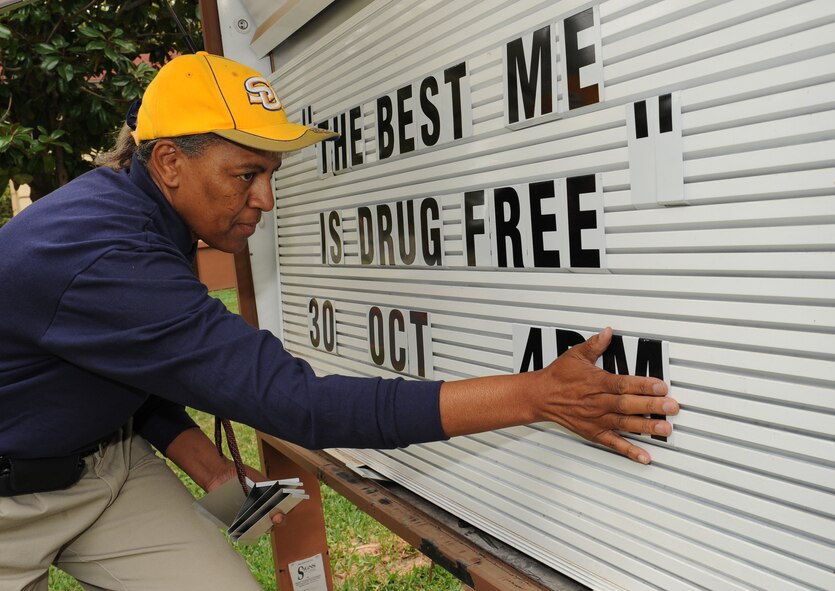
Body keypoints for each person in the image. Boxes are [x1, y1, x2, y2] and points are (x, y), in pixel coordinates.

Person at [0, 52, 678, 591]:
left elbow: (120, 364)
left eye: (270, 173)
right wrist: (536, 395)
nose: (264, 198)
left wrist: (205, 463)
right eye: (245, 174)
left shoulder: (143, 209)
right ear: (171, 161)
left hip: (107, 464)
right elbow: (301, 404)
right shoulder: (102, 254)